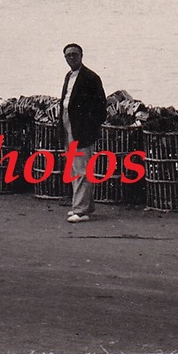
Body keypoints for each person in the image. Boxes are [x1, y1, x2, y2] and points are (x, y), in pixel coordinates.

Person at [60, 42, 107, 224]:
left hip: (81, 127)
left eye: (74, 54)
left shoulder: (91, 77)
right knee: (74, 167)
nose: (71, 58)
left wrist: (89, 126)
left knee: (81, 168)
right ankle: (84, 206)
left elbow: (100, 107)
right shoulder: (68, 76)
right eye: (68, 55)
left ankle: (80, 210)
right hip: (68, 122)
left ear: (81, 56)